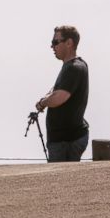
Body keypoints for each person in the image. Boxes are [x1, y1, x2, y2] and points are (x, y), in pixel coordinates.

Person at [35, 25, 90, 162]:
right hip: (65, 139)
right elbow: (57, 88)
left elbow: (60, 96)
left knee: (61, 181)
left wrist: (43, 103)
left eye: (55, 42)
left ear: (69, 43)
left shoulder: (73, 68)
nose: (52, 46)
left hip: (66, 142)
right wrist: (45, 98)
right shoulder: (73, 66)